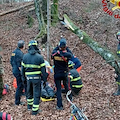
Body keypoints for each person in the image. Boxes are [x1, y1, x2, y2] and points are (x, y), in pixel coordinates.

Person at [21, 40, 47, 115]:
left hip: (28, 79)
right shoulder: (40, 57)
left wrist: (23, 78)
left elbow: (22, 69)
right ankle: (35, 110)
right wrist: (44, 80)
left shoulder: (25, 56)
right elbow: (43, 70)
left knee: (29, 93)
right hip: (37, 79)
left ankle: (29, 106)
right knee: (36, 94)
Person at [51, 38, 72, 110]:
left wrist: (57, 47)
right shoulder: (67, 55)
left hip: (57, 74)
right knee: (66, 86)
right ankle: (70, 99)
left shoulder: (55, 54)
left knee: (59, 89)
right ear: (65, 46)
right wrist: (66, 48)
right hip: (64, 73)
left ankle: (59, 105)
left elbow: (52, 53)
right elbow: (71, 54)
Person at [10, 40, 25, 105]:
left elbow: (11, 61)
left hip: (14, 70)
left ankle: (18, 99)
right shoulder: (20, 54)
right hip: (18, 71)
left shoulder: (14, 52)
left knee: (20, 85)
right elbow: (20, 65)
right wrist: (22, 73)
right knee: (20, 86)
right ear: (23, 46)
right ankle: (17, 102)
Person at [113, 31, 120, 96]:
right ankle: (119, 90)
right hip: (118, 63)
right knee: (117, 78)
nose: (119, 37)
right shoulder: (118, 45)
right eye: (118, 36)